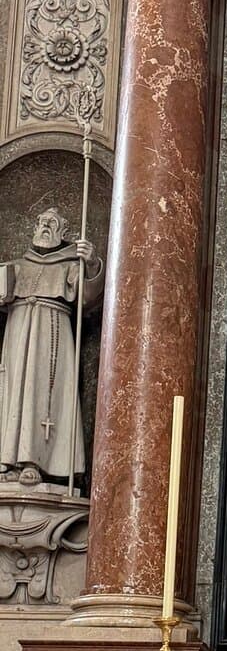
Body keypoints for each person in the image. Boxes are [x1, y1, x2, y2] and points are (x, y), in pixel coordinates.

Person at [0, 208, 103, 485]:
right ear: (34, 227)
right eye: (42, 222)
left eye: (52, 223)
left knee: (43, 393)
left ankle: (35, 460)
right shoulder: (17, 266)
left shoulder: (70, 265)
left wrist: (92, 264)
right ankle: (8, 459)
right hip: (17, 333)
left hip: (52, 333)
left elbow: (88, 297)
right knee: (14, 391)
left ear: (63, 232)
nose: (45, 226)